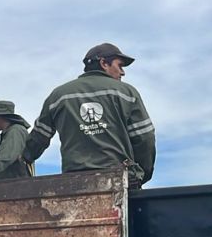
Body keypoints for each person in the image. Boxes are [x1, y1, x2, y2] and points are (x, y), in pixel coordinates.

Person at [22, 42, 155, 189]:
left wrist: (26, 156)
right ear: (104, 63)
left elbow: (38, 137)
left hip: (74, 183)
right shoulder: (127, 93)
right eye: (120, 65)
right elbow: (145, 139)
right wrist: (142, 174)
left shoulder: (58, 95)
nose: (123, 72)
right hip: (119, 180)